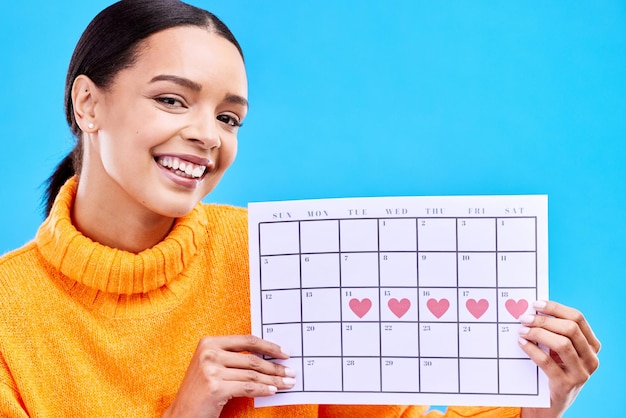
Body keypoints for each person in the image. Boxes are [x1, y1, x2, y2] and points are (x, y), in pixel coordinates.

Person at [0, 0, 600, 417]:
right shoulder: (10, 311)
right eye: (172, 99)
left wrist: (535, 406)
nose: (208, 135)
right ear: (88, 103)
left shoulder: (280, 258)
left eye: (229, 117)